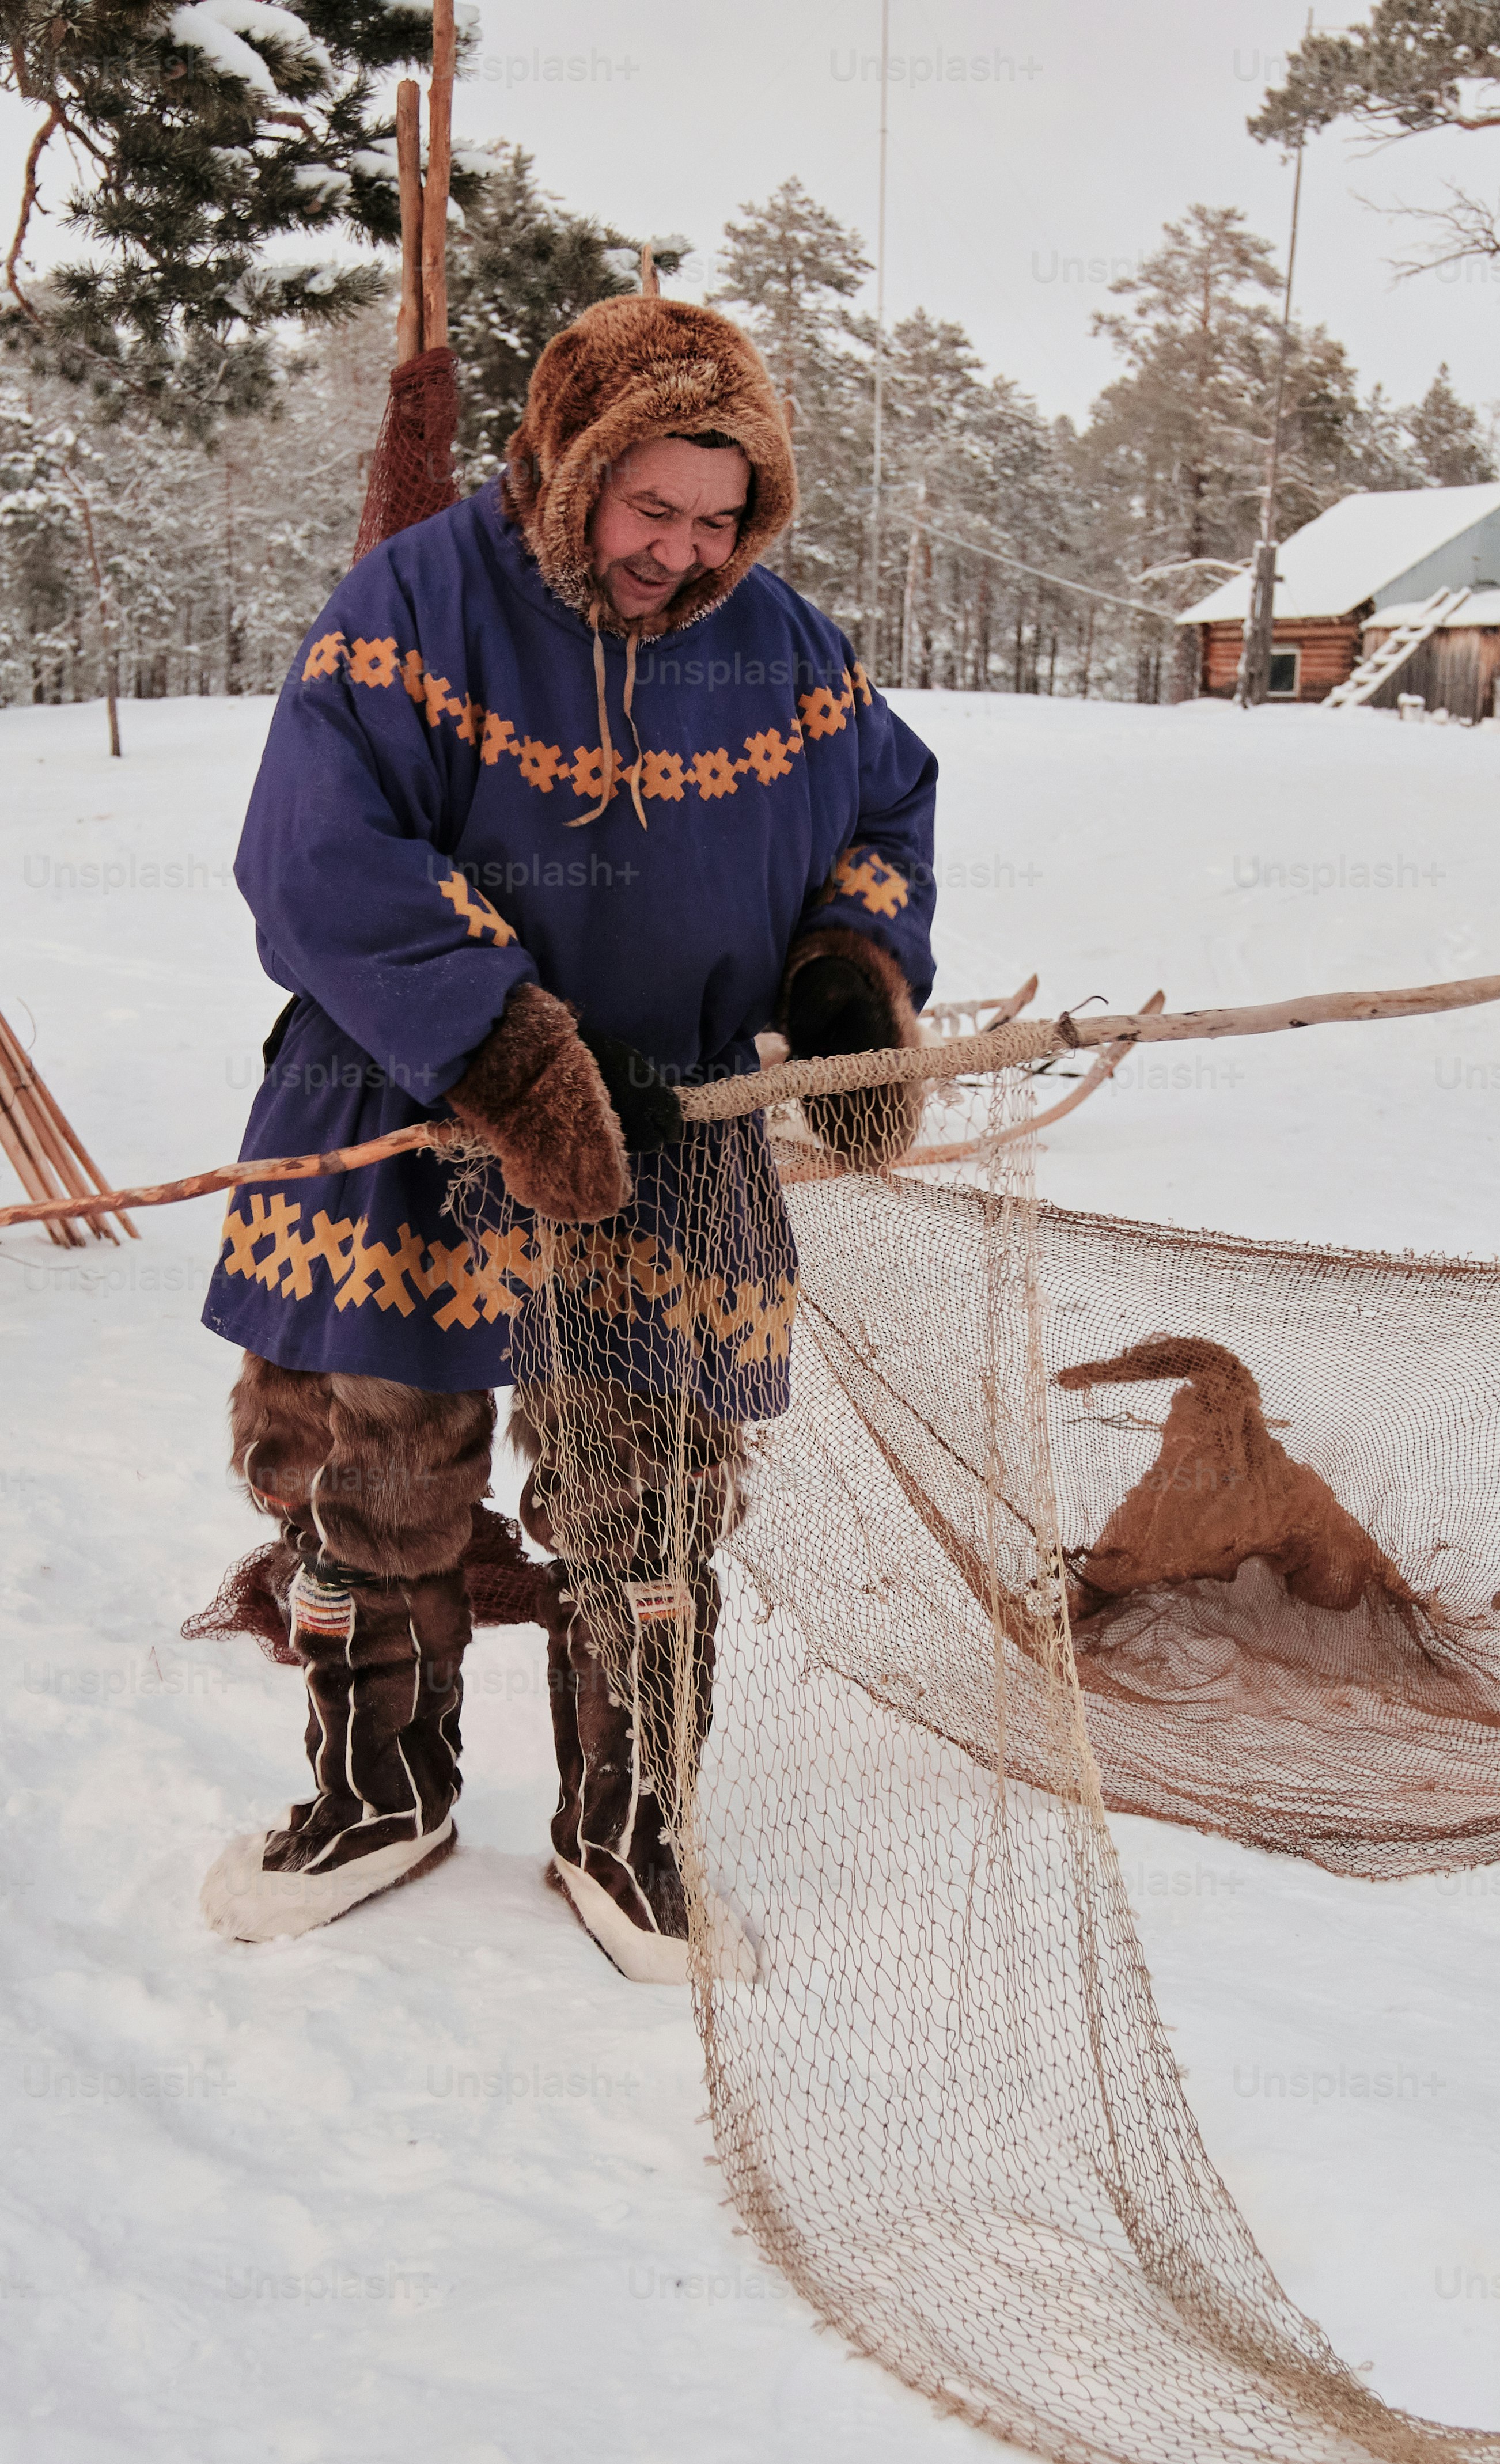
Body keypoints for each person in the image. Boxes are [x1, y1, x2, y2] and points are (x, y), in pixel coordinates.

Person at [196, 294, 940, 1982]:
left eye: (716, 517)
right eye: (647, 508)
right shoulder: (416, 606)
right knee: (378, 1463)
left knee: (651, 1487)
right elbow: (311, 852)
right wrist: (506, 1051)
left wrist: (848, 973)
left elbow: (887, 807)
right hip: (409, 1095)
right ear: (568, 467)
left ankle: (628, 1823)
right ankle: (381, 1788)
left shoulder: (789, 654)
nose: (678, 553)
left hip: (673, 1118)